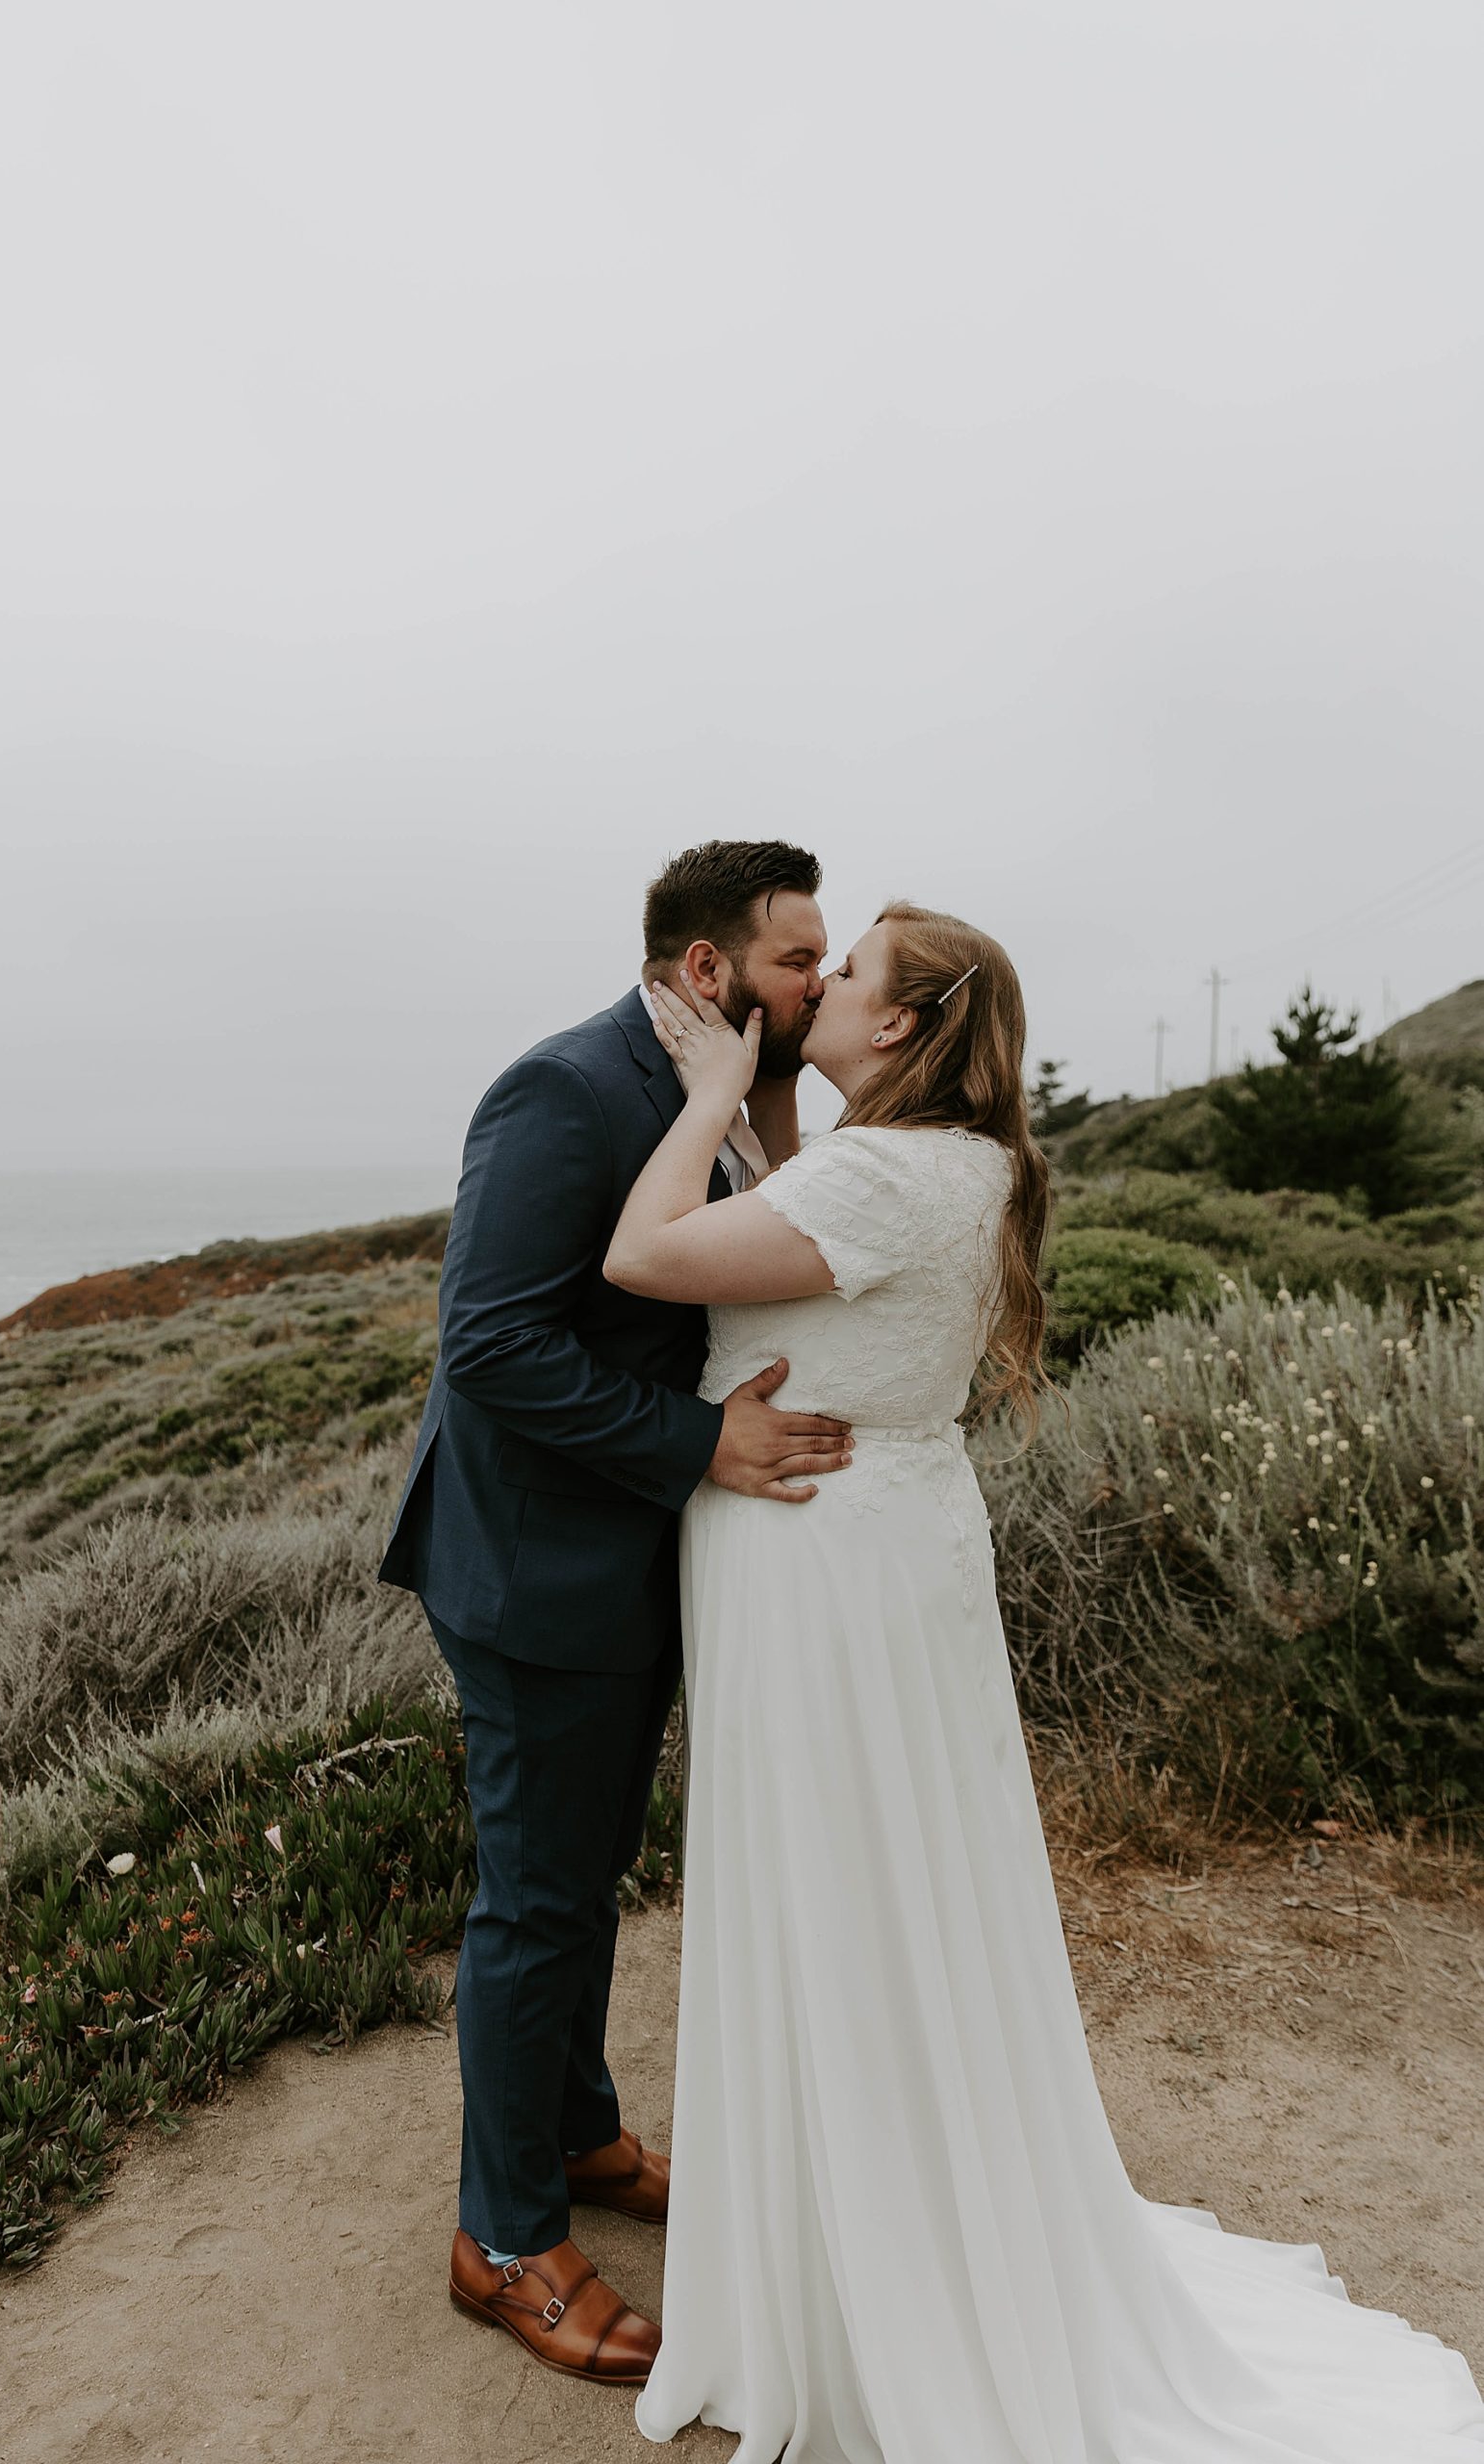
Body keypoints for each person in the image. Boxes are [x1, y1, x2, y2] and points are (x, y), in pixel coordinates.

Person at [606, 904, 1484, 2464]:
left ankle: (863, 2269)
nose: (819, 985)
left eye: (851, 973)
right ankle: (865, 2219)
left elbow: (645, 1254)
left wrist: (698, 1105)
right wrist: (768, 1104)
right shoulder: (953, 1160)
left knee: (848, 1890)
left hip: (825, 1564)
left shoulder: (891, 1172)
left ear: (904, 1027)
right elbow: (812, 1220)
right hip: (867, 1542)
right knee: (886, 1890)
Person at [376, 838, 856, 2385]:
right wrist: (700, 1446)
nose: (821, 982)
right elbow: (495, 1345)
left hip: (632, 1560)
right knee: (536, 1902)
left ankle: (577, 2135)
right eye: (799, 959)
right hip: (535, 1570)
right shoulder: (565, 1090)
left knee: (580, 1882)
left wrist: (768, 1098)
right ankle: (502, 2237)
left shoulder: (717, 1085)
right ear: (707, 972)